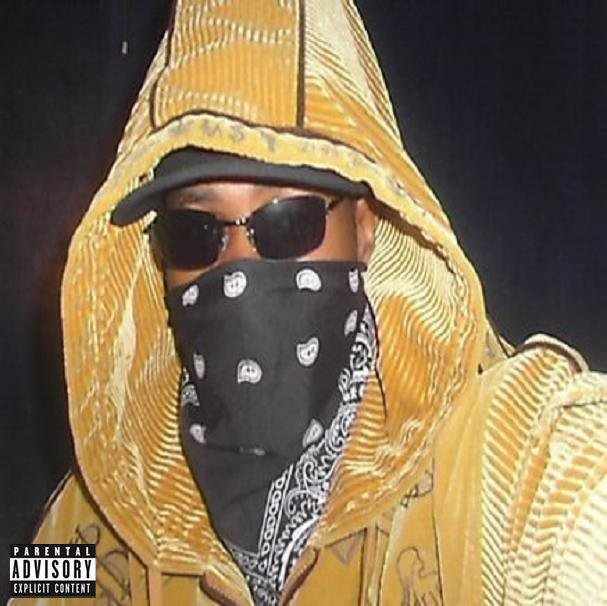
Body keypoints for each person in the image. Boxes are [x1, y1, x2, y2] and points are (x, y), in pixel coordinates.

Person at [12, 0, 606, 604]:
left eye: (287, 222)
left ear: (365, 224)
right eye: (195, 231)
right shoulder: (100, 502)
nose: (236, 268)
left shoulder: (495, 456)